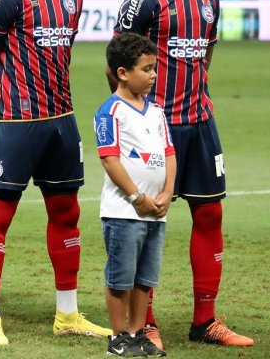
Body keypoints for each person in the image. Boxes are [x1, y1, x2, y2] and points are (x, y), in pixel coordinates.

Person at [0, 0, 110, 345]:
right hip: (16, 123)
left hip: (62, 122)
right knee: (0, 217)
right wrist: (0, 113)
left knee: (67, 214)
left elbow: (61, 54)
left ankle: (67, 313)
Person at [114, 0, 253, 348]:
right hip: (156, 129)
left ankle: (205, 321)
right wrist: (137, 120)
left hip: (200, 123)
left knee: (210, 213)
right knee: (148, 220)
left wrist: (198, 98)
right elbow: (116, 64)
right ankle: (146, 320)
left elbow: (204, 58)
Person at [95, 33, 174, 358]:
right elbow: (110, 159)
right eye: (147, 69)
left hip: (156, 211)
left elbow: (169, 153)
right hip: (124, 212)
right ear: (123, 73)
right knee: (121, 278)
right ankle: (118, 336)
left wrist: (167, 192)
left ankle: (138, 332)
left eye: (154, 68)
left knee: (144, 278)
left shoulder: (155, 111)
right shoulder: (111, 111)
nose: (153, 75)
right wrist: (137, 196)